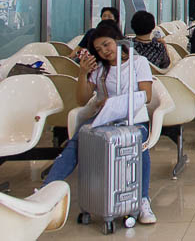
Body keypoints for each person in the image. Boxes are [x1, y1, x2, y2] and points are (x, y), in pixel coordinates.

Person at [42, 21, 157, 224]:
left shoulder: (138, 62)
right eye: (98, 49)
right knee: (78, 141)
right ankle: (46, 193)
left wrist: (114, 102)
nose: (104, 51)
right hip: (105, 118)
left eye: (106, 44)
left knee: (139, 144)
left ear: (117, 40)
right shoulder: (100, 69)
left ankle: (142, 200)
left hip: (133, 117)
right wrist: (82, 73)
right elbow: (81, 99)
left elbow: (146, 95)